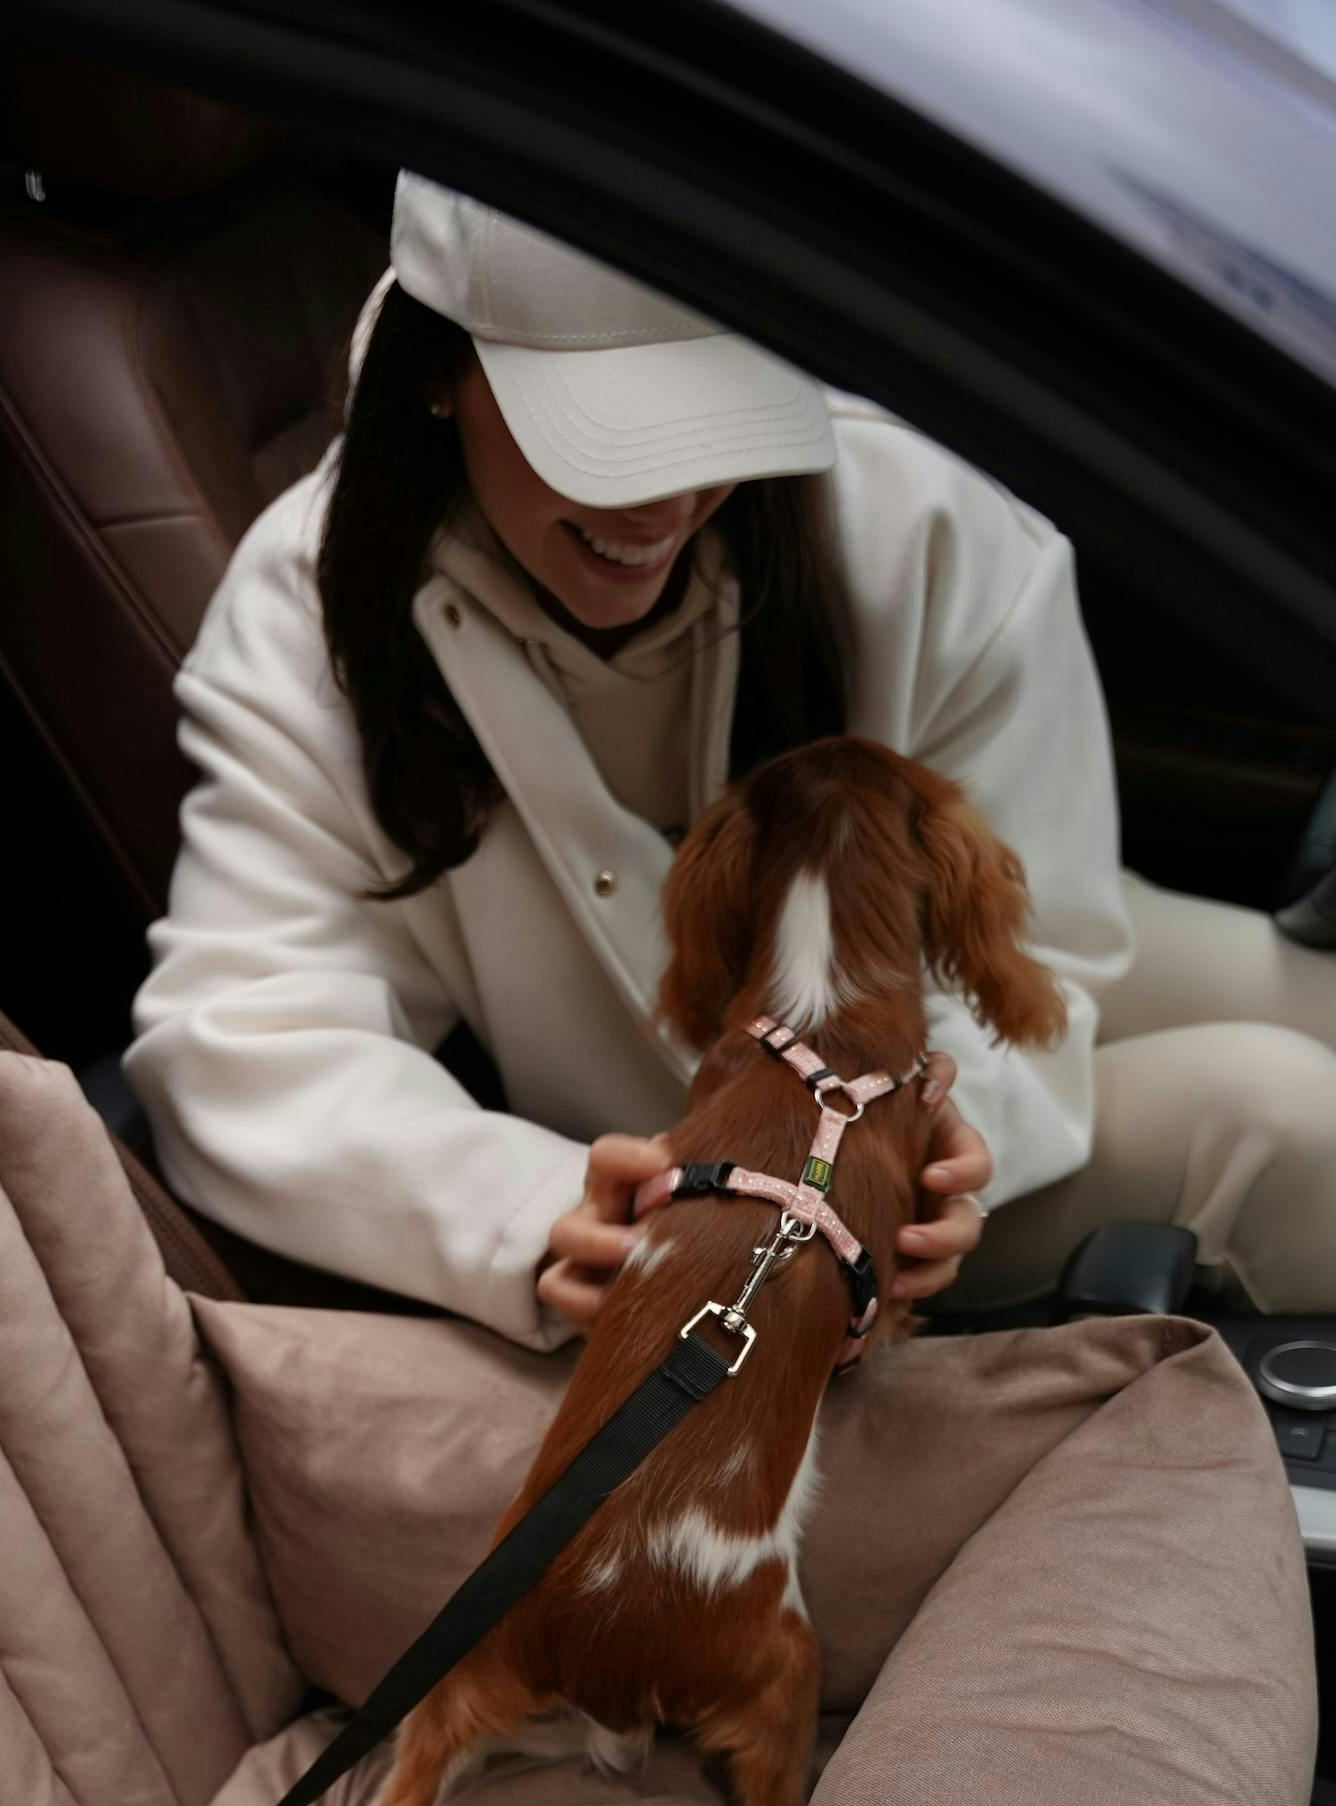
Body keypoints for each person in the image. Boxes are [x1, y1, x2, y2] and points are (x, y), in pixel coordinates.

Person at [127, 175, 1336, 1345]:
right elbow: (241, 1036)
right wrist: (532, 1208)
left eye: (710, 420)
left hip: (925, 1015)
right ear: (436, 373)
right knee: (1281, 1117)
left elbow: (1048, 943)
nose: (663, 503)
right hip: (707, 1168)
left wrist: (944, 1131)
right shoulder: (305, 616)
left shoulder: (920, 526)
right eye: (601, 440)